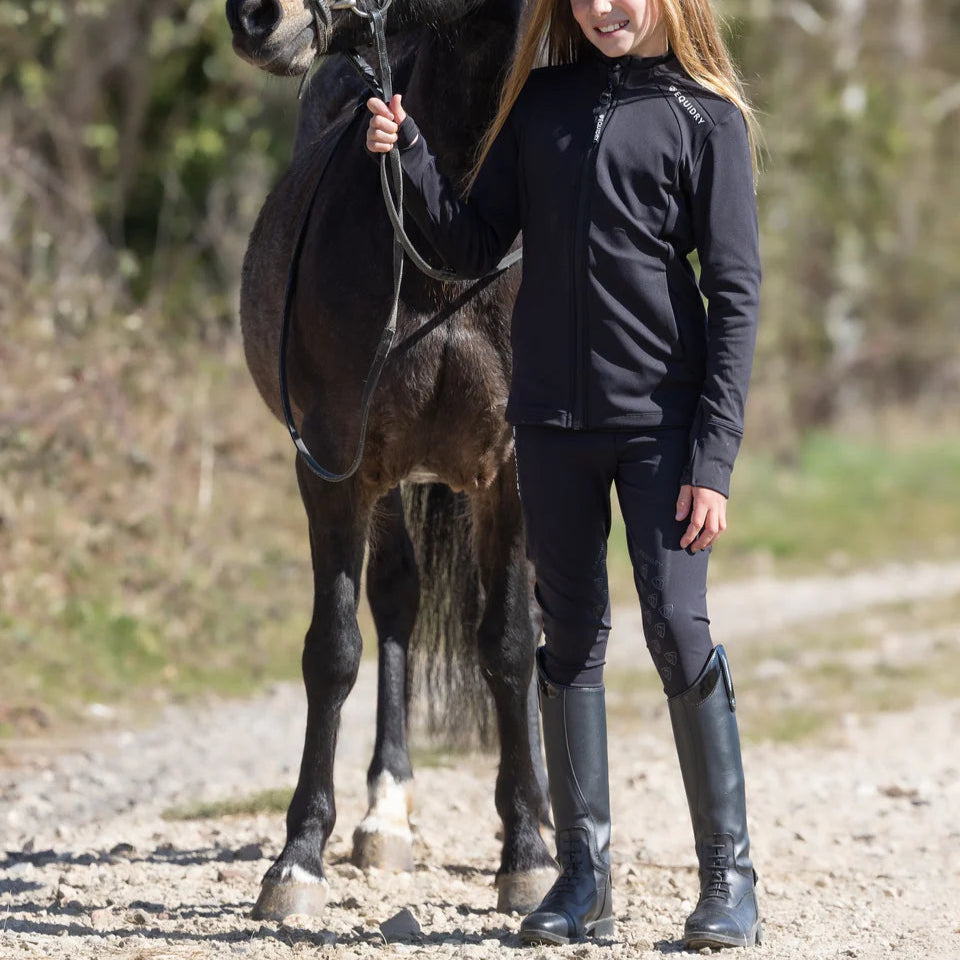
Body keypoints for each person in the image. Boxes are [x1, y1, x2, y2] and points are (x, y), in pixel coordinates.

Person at [366, 0, 761, 948]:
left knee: (676, 623)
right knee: (569, 638)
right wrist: (410, 150)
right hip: (547, 419)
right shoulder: (541, 105)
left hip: (661, 428)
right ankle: (583, 878)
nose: (605, 8)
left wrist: (712, 458)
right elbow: (469, 244)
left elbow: (736, 297)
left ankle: (728, 880)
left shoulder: (708, 119)